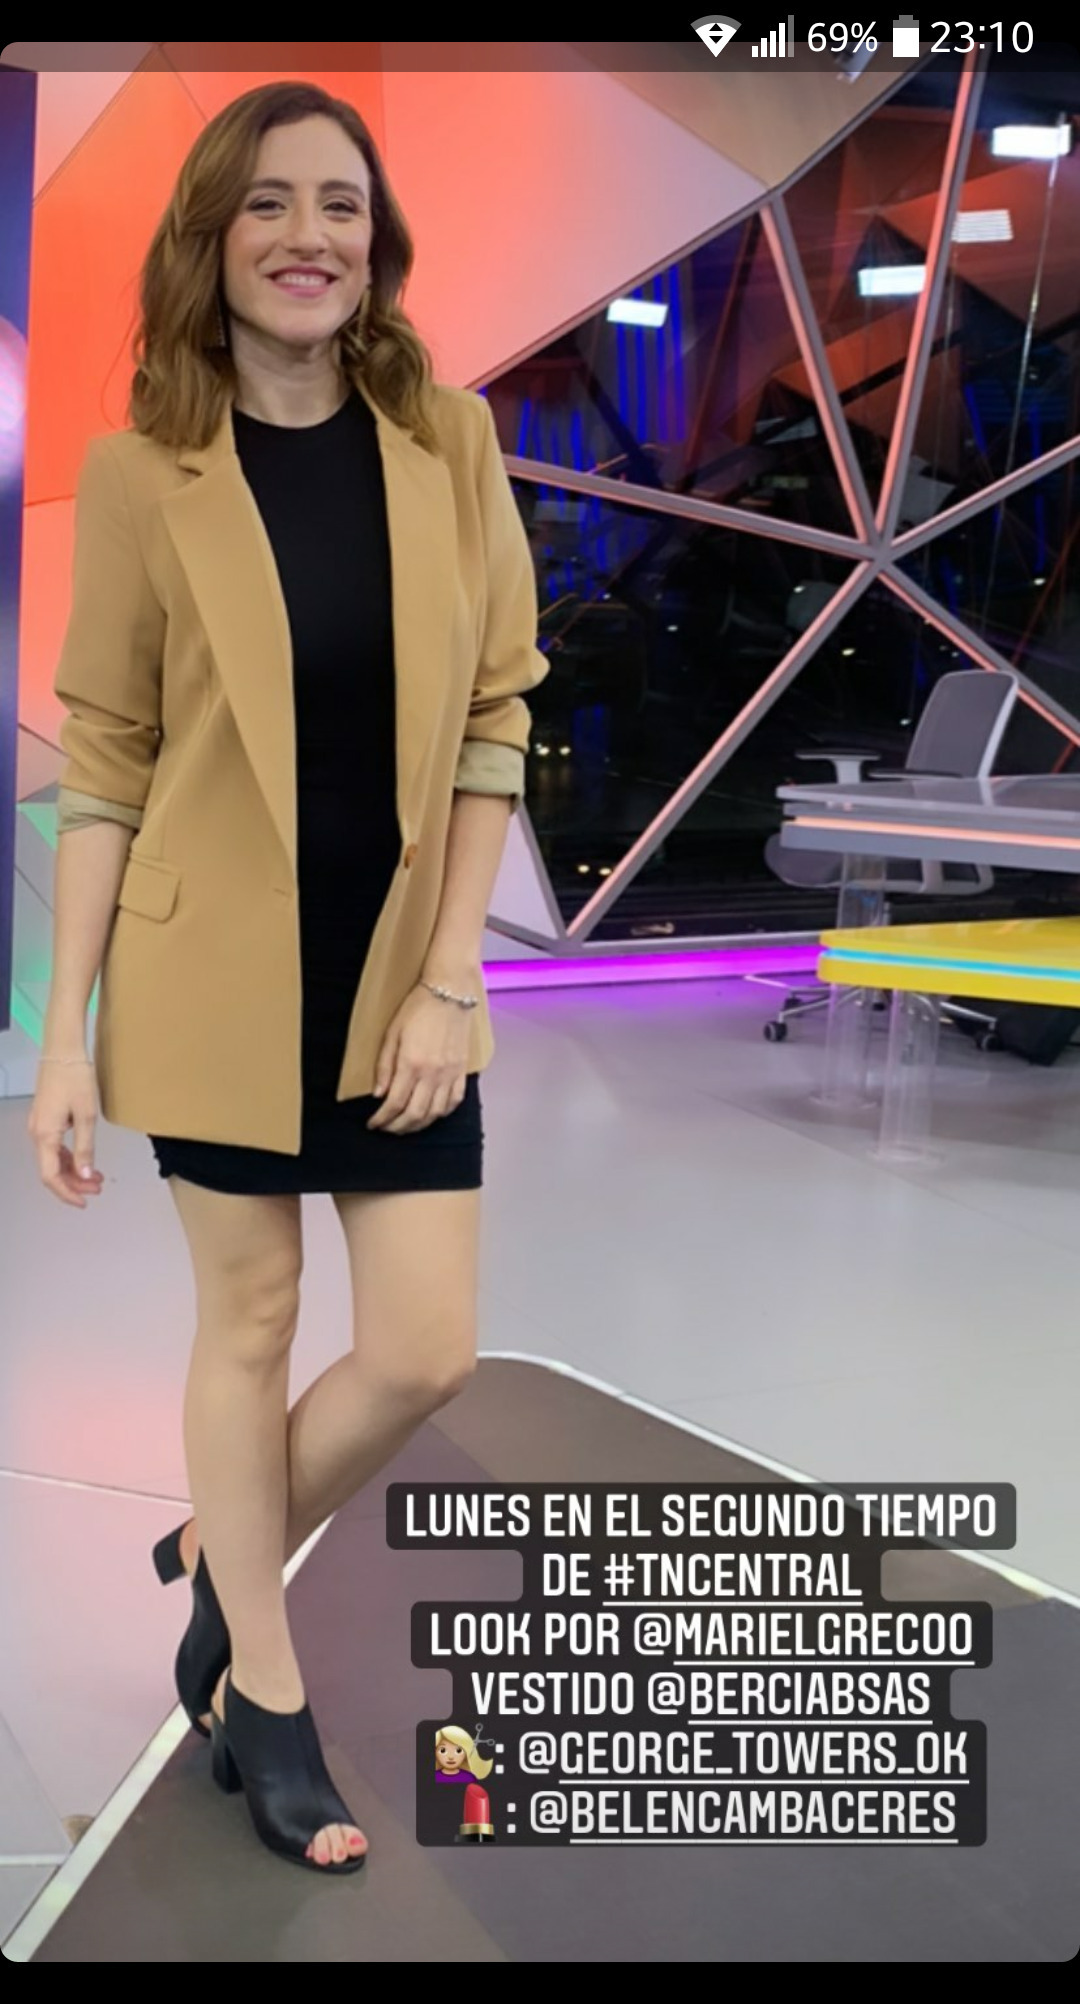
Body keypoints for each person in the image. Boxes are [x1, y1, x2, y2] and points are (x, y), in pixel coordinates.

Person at [28, 79, 548, 1878]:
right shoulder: (140, 473)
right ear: (210, 238)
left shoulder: (448, 439)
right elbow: (108, 759)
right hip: (211, 976)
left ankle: (216, 1544)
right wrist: (64, 1036)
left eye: (340, 203)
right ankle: (263, 1689)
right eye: (267, 203)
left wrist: (450, 976)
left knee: (421, 1349)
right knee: (246, 1328)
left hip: (397, 978)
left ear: (377, 244)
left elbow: (495, 716)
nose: (308, 235)